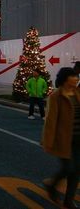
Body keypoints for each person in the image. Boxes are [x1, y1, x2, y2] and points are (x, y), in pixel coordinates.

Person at [42, 67, 80, 209]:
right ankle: (51, 185)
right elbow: (51, 121)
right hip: (64, 140)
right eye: (73, 76)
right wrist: (48, 141)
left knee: (77, 171)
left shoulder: (77, 93)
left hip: (78, 139)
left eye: (77, 77)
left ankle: (68, 200)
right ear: (65, 78)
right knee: (68, 168)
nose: (76, 79)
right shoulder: (55, 96)